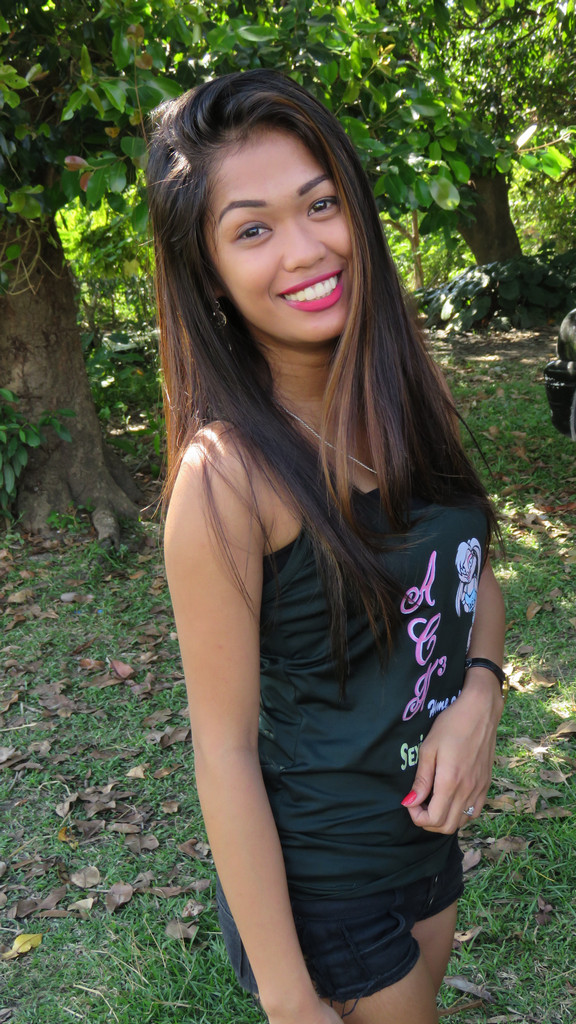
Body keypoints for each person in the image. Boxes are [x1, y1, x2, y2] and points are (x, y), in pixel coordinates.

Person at [146, 69, 506, 1024]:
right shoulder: (226, 479)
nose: (306, 249)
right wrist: (289, 999)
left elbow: (470, 577)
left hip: (425, 849)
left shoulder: (398, 399)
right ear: (207, 272)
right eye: (252, 230)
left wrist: (480, 692)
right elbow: (223, 752)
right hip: (325, 888)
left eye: (320, 204)